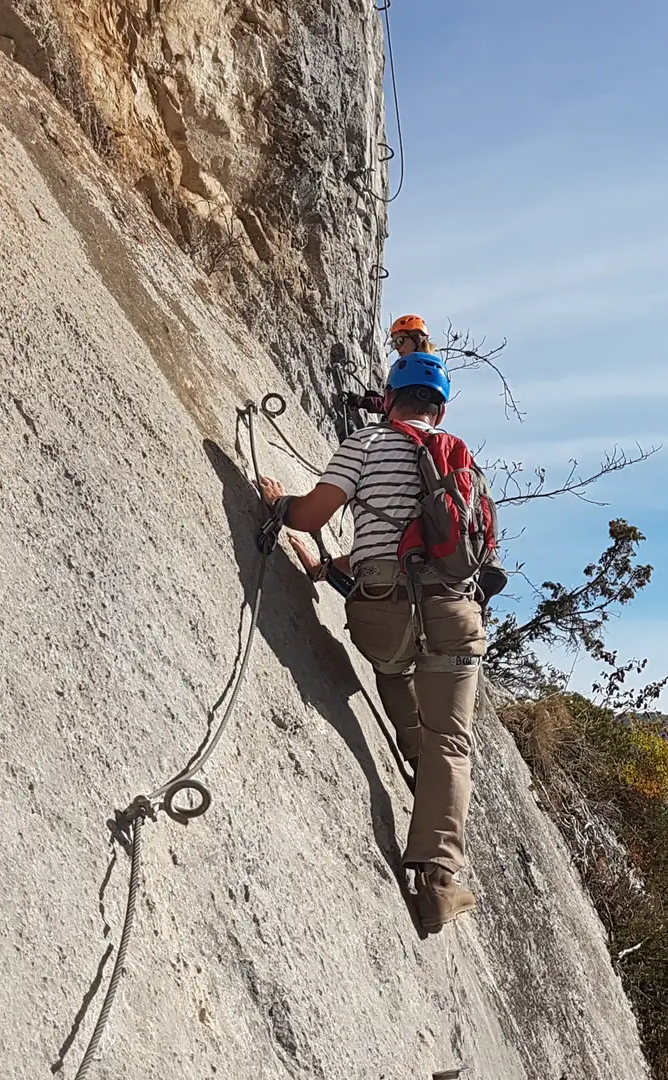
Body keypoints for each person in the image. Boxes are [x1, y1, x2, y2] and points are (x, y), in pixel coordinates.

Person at [257, 349, 488, 932]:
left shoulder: (367, 444)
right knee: (452, 744)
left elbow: (311, 515)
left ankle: (413, 753)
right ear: (438, 408)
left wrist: (277, 503)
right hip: (457, 614)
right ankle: (438, 882)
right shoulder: (464, 467)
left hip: (383, 617)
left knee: (392, 669)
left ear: (391, 397)